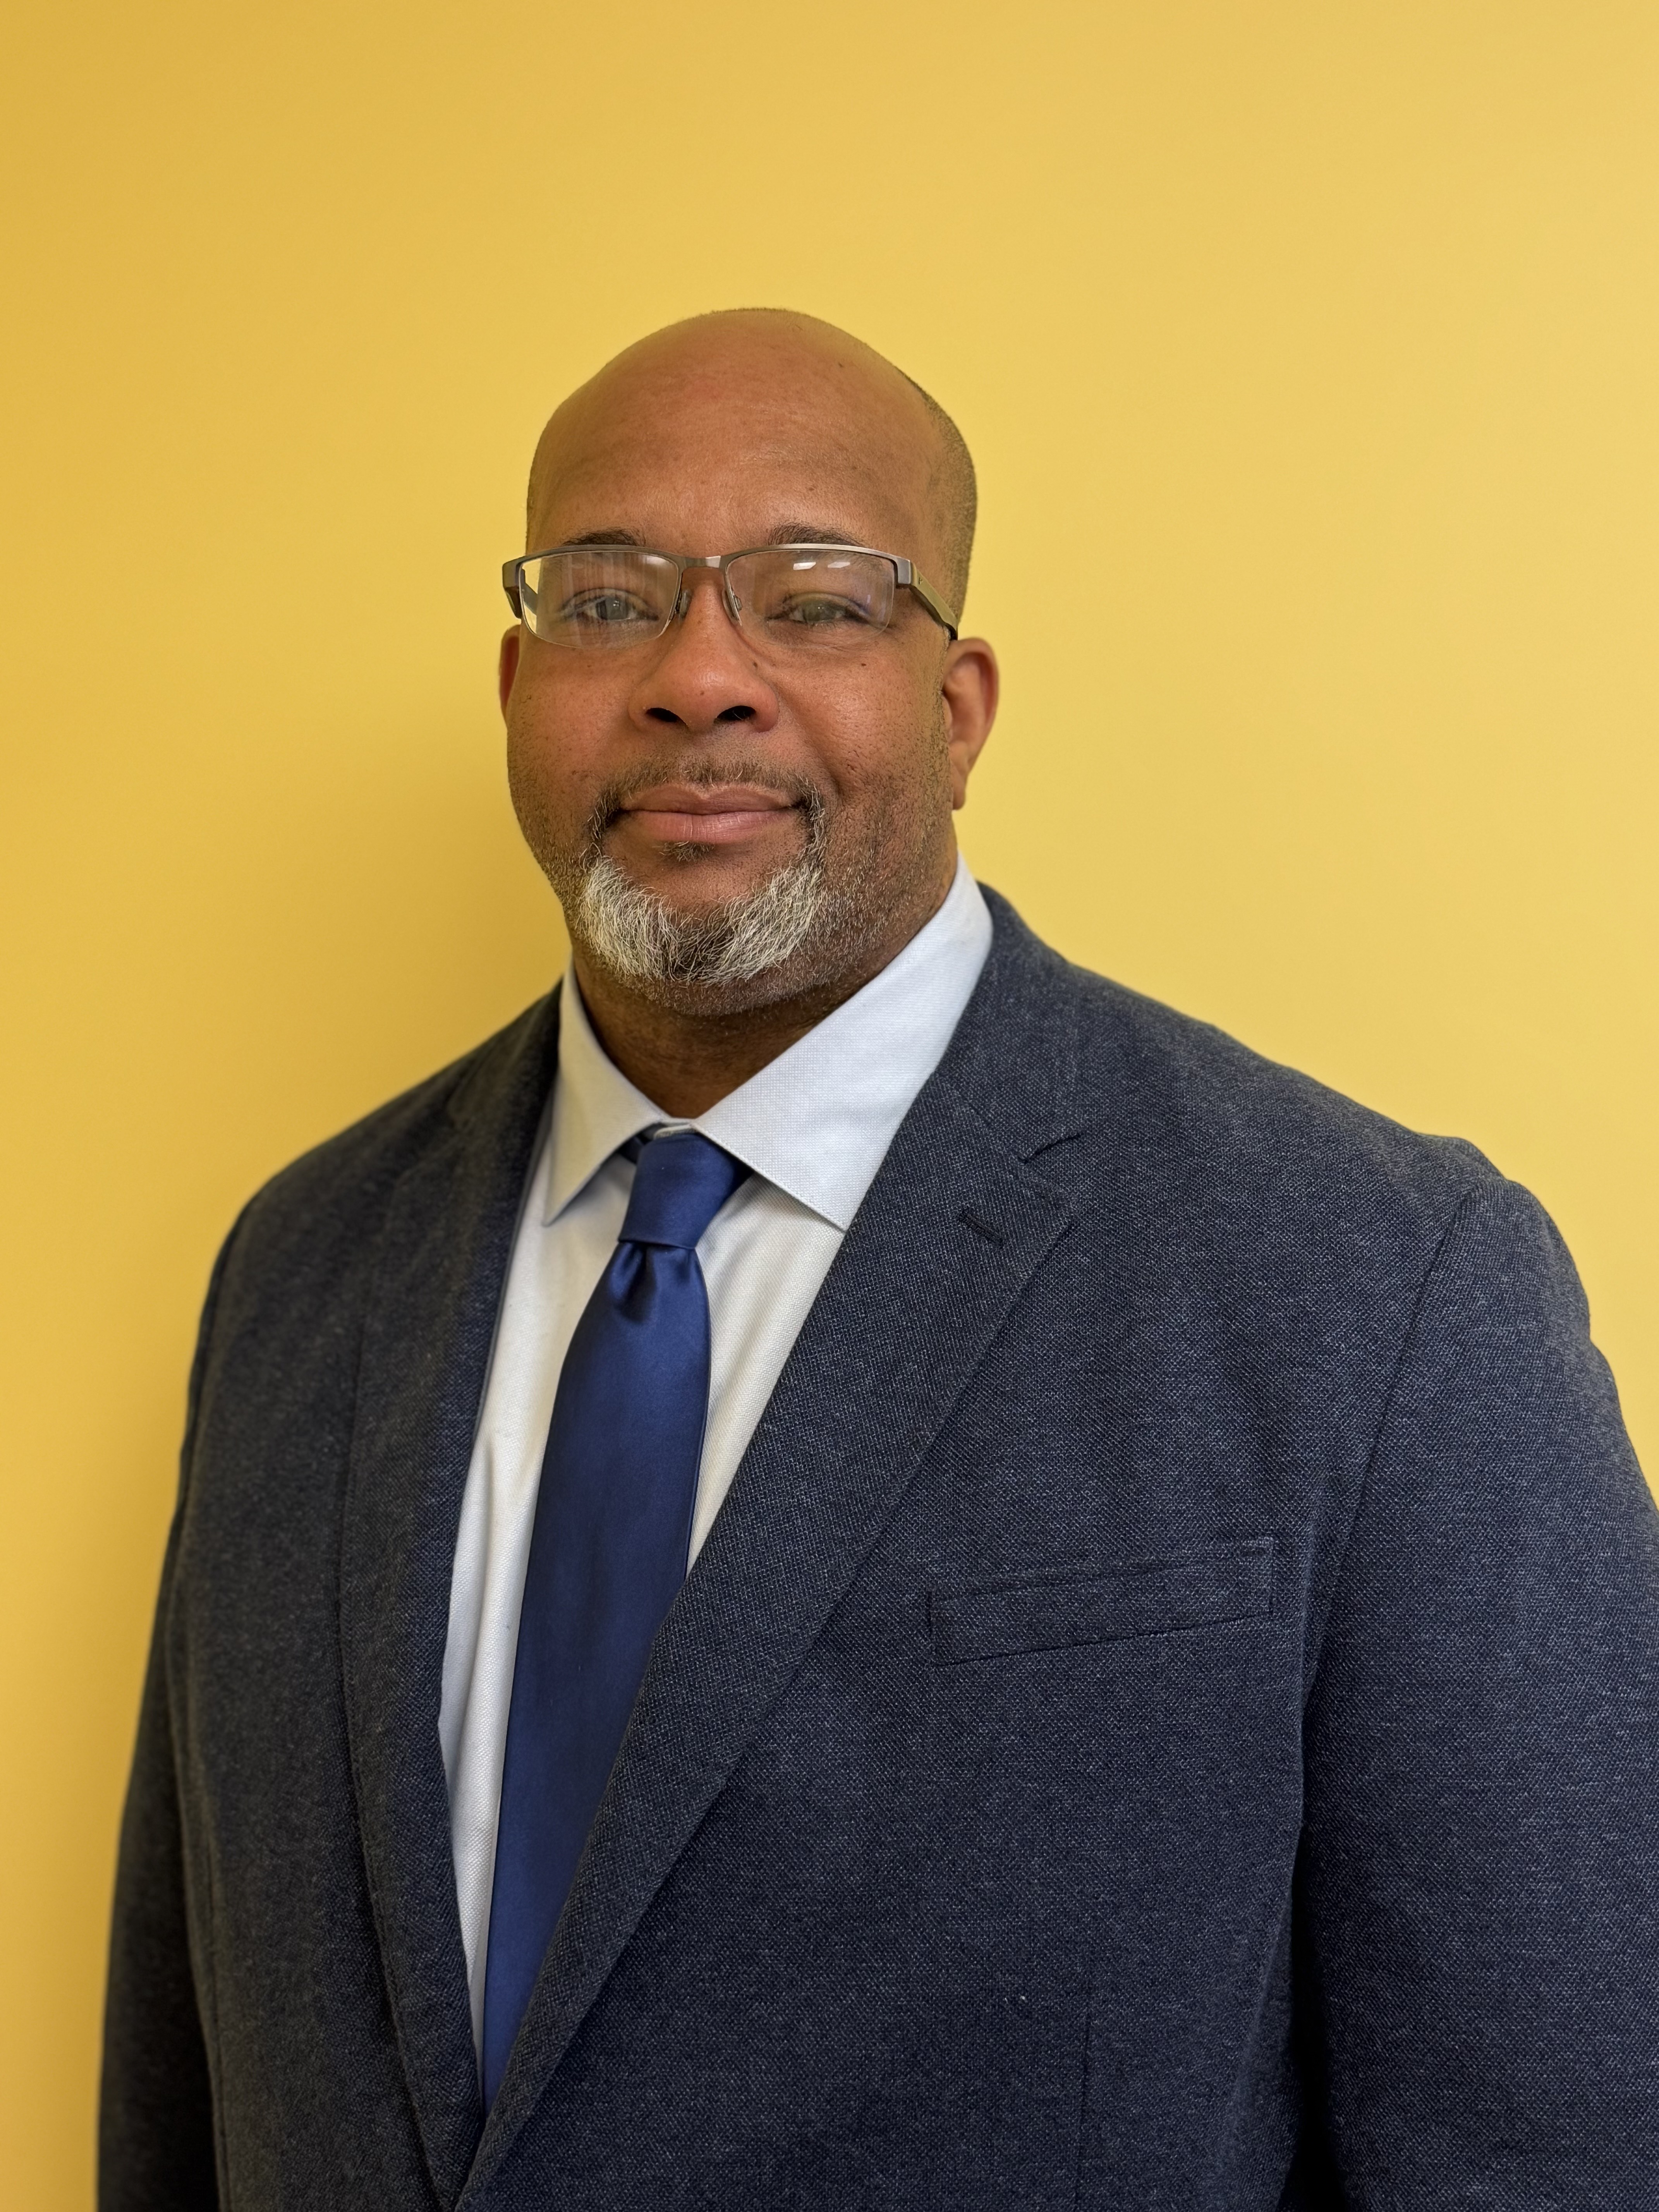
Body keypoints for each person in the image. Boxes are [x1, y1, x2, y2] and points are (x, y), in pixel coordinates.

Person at [101, 309, 1659, 2211]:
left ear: (960, 706)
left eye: (820, 601)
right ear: (516, 685)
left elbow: (1555, 2149)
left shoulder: (1384, 1289)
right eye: (609, 600)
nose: (699, 678)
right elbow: (182, 2093)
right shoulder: (300, 1270)